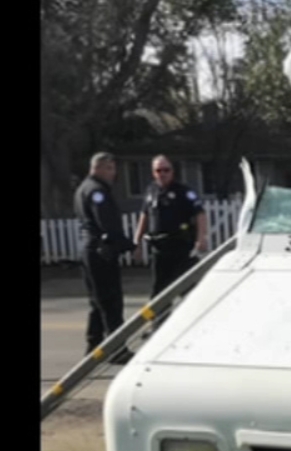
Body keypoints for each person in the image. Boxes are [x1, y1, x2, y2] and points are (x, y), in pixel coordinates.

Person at [134, 155, 208, 332]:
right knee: (160, 290)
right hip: (159, 248)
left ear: (172, 171)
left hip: (181, 247)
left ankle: (196, 325)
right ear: (153, 173)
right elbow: (144, 216)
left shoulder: (183, 191)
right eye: (158, 170)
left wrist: (201, 238)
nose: (162, 174)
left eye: (166, 170)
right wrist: (136, 242)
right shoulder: (151, 191)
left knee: (188, 288)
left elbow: (200, 214)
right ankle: (159, 327)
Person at [73, 152, 134, 364]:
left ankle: (94, 345)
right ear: (98, 168)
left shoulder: (83, 188)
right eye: (109, 168)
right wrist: (127, 244)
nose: (113, 173)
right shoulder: (98, 191)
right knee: (111, 302)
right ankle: (118, 349)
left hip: (88, 249)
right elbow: (107, 223)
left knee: (97, 301)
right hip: (101, 250)